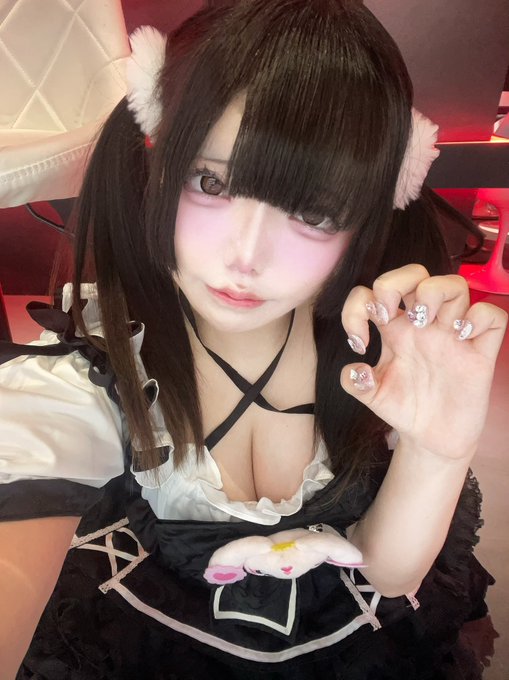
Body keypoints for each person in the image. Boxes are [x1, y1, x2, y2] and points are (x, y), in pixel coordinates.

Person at [0, 1, 507, 678]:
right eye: (210, 181)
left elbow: (386, 576)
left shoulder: (376, 352)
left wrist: (439, 450)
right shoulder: (96, 369)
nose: (247, 257)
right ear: (157, 160)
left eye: (314, 210)